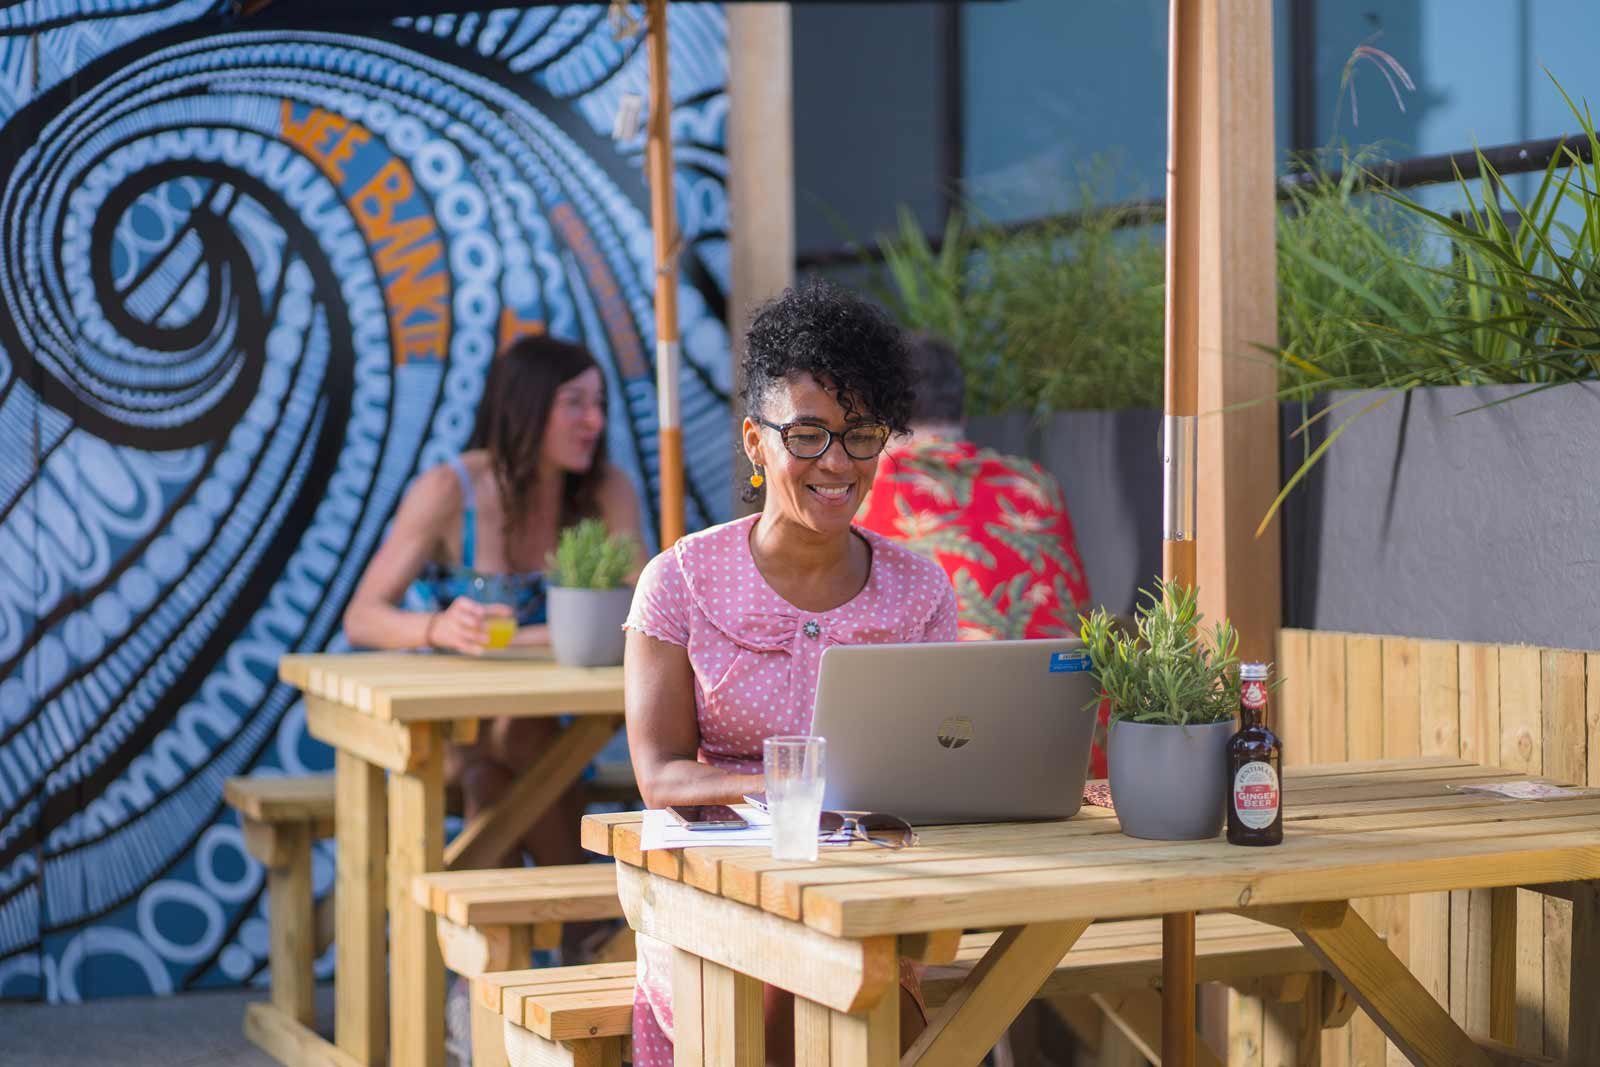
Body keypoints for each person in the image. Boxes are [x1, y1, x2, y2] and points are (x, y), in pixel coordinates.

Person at [622, 281, 958, 1065]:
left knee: (862, 988)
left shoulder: (920, 588)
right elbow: (660, 774)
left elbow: (945, 757)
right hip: (714, 888)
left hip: (866, 893)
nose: (837, 462)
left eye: (860, 433)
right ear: (755, 441)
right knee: (800, 988)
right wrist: (782, 786)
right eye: (806, 434)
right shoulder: (681, 579)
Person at [343, 334, 643, 870]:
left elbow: (646, 612)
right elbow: (363, 617)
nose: (594, 422)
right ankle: (585, 930)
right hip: (452, 728)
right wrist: (436, 629)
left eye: (599, 405)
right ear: (523, 403)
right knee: (503, 745)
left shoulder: (605, 490)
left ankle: (501, 944)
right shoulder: (448, 490)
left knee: (508, 755)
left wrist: (520, 639)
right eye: (575, 403)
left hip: (545, 727)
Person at [854, 332, 1105, 775]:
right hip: (1067, 750)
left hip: (937, 755)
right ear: (962, 412)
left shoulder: (869, 493)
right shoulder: (1035, 486)